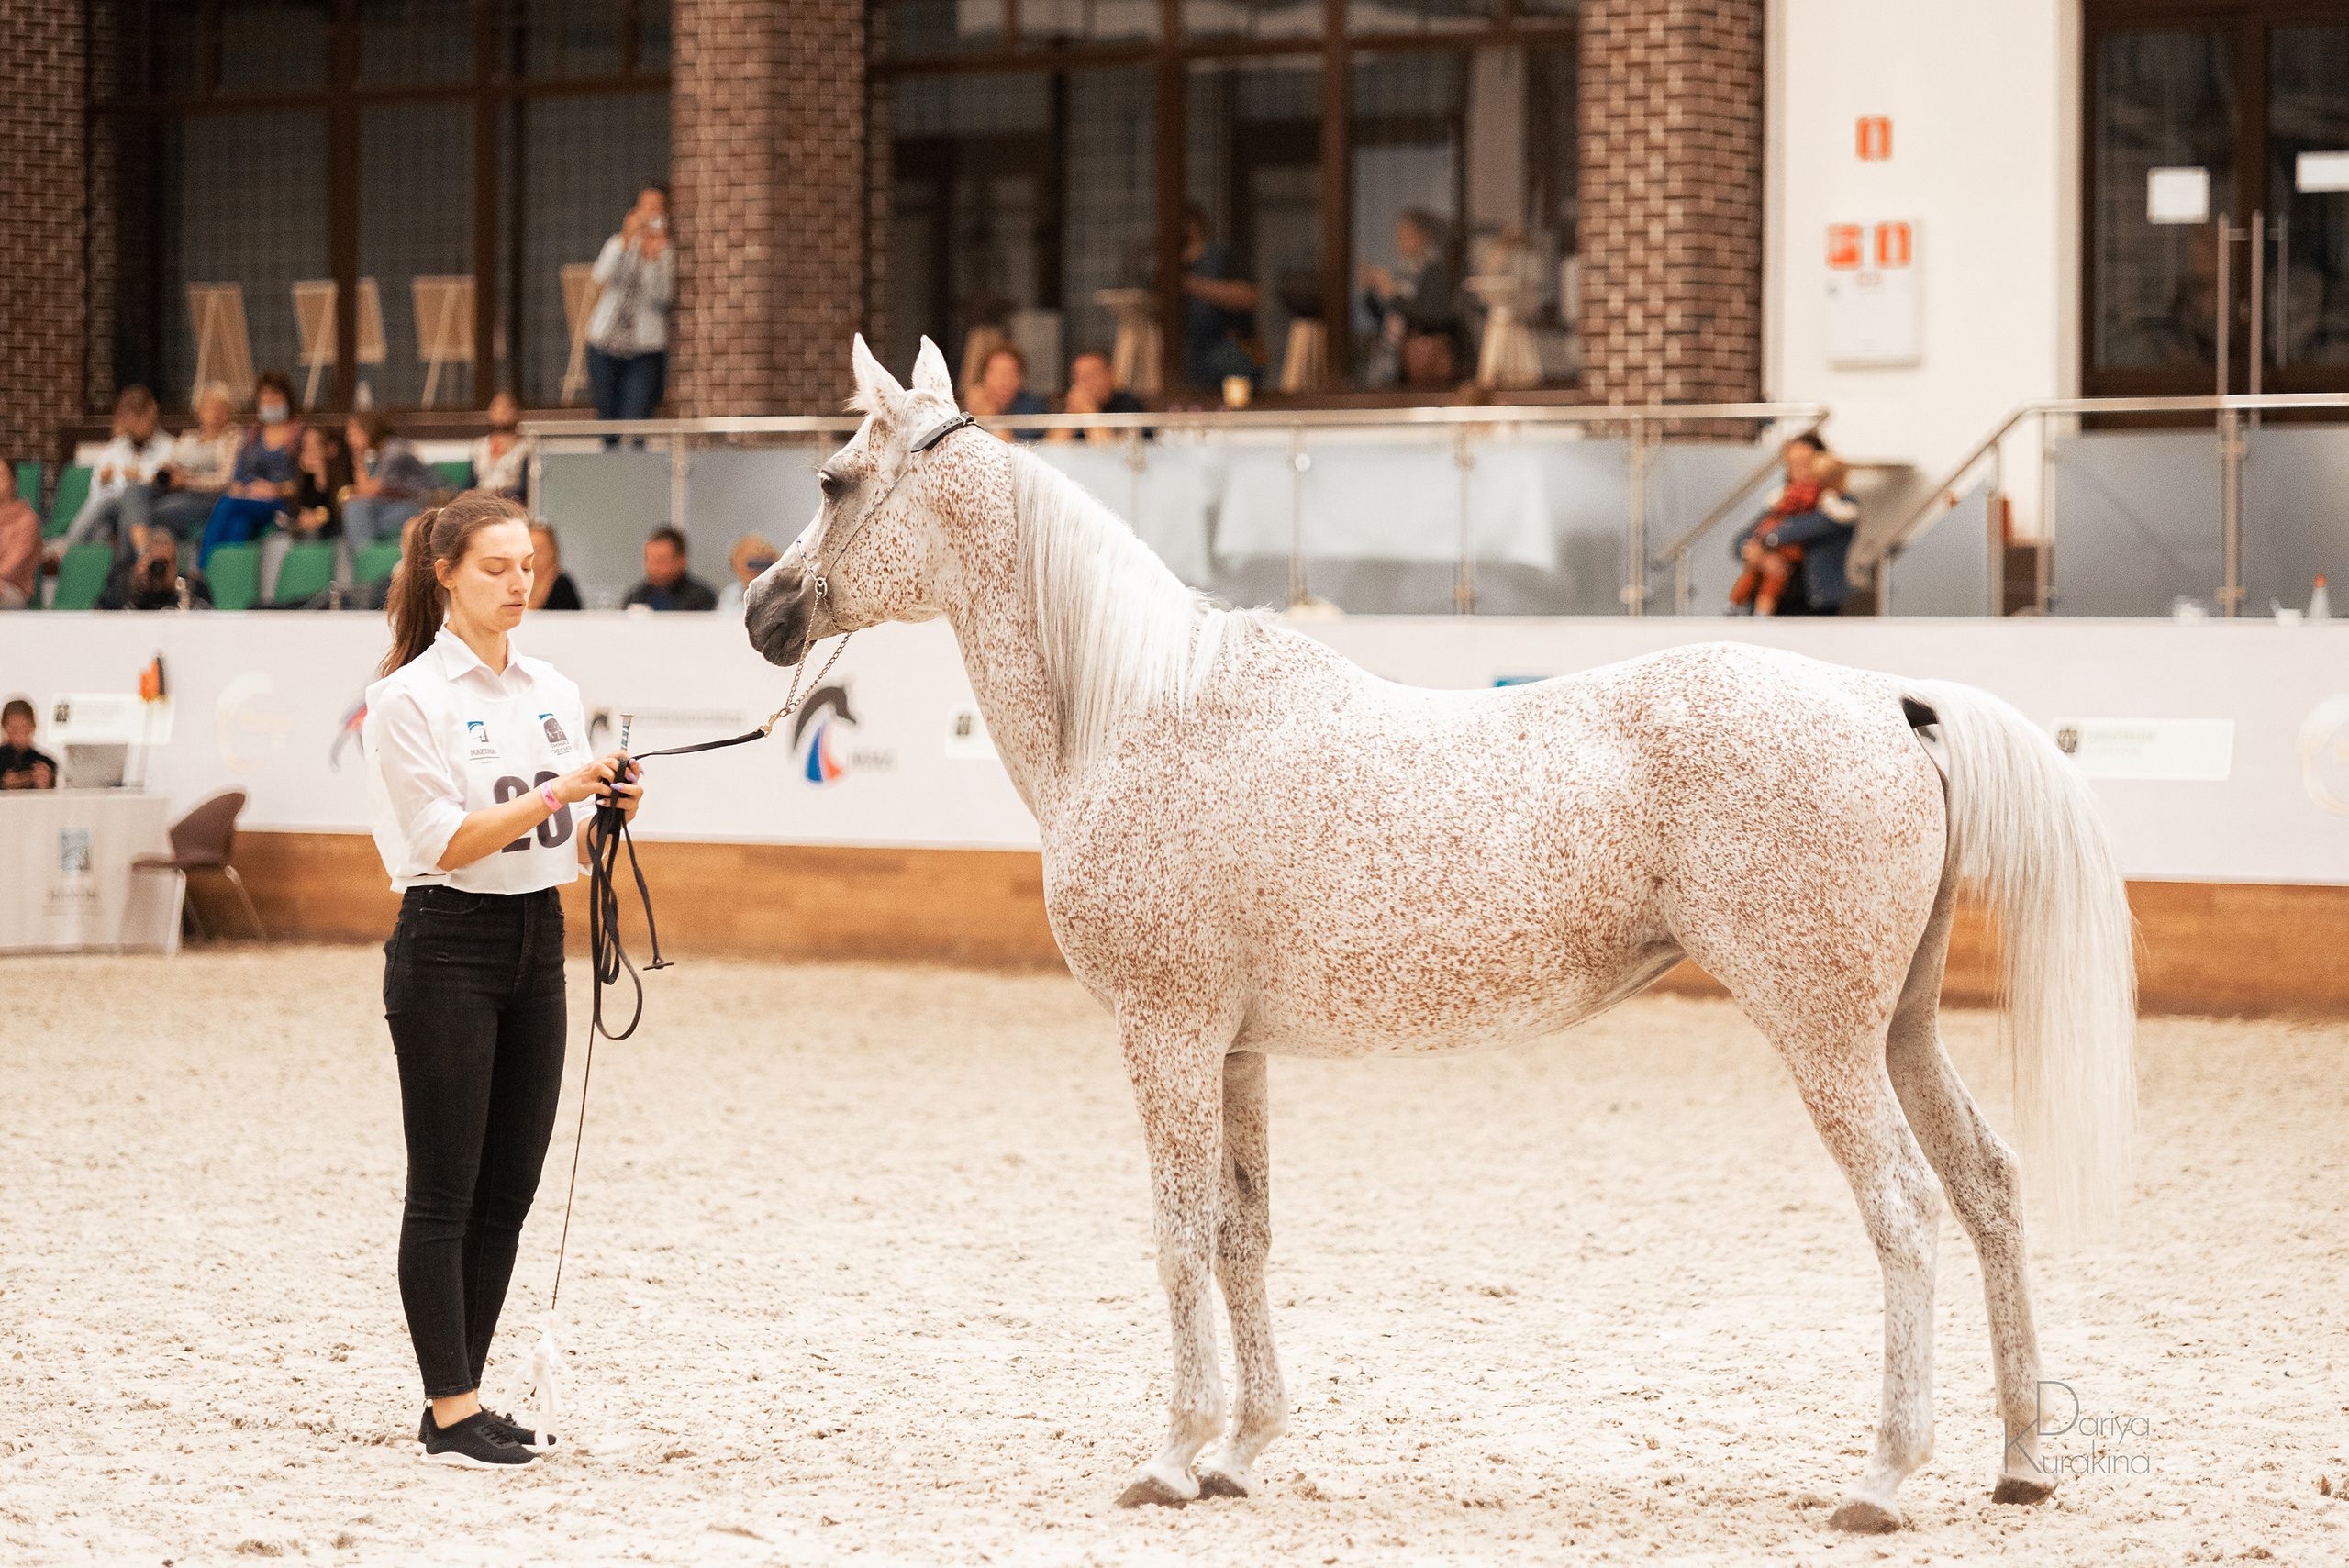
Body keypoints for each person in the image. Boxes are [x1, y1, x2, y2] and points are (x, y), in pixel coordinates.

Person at [362, 490, 646, 1470]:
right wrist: (560, 789)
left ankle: (464, 1394)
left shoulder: (552, 686)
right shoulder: (407, 698)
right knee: (445, 1186)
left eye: (527, 564)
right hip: (447, 940)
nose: (519, 581)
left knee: (509, 1188)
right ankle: (450, 1407)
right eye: (496, 566)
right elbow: (444, 839)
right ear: (445, 573)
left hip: (539, 938)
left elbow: (568, 832)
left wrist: (609, 807)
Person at [586, 184, 675, 433]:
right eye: (644, 207)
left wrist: (652, 260)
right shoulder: (619, 243)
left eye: (656, 208)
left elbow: (662, 297)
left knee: (637, 422)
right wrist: (626, 241)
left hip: (644, 351)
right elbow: (600, 276)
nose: (649, 214)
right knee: (607, 423)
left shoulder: (666, 251)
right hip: (603, 344)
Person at [54, 386, 173, 559]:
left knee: (118, 501)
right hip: (113, 509)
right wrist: (105, 481)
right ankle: (98, 573)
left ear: (150, 415)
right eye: (130, 420)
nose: (134, 426)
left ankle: (66, 548)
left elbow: (163, 484)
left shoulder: (169, 448)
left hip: (149, 507)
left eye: (139, 419)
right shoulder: (116, 448)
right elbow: (96, 492)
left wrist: (139, 477)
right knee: (101, 530)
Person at [200, 372, 304, 568]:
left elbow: (302, 483)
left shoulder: (298, 434)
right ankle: (229, 576)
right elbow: (239, 476)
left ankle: (202, 568)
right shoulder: (252, 436)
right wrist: (242, 487)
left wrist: (275, 489)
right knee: (239, 524)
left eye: (275, 397)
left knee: (227, 503)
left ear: (286, 399)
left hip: (280, 503)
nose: (270, 402)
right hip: (248, 499)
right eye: (265, 398)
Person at [1748, 454, 1860, 617]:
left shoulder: (1839, 508)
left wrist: (1765, 538)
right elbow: (1744, 541)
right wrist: (1760, 557)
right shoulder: (1790, 501)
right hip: (1783, 598)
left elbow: (1793, 531)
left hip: (1816, 601)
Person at [1361, 209, 1461, 390]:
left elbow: (1430, 315)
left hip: (1420, 355)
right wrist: (1371, 292)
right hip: (1395, 353)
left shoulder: (1435, 272)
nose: (1400, 241)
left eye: (1406, 234)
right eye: (1398, 235)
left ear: (1424, 236)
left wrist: (1391, 295)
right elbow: (1386, 318)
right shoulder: (1403, 272)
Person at [141, 383, 243, 550]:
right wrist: (163, 472)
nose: (215, 412)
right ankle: (142, 556)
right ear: (199, 410)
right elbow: (169, 463)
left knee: (154, 512)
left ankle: (153, 557)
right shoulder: (188, 438)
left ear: (229, 413)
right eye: (210, 406)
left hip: (207, 499)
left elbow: (225, 479)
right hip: (175, 492)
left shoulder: (232, 437)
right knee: (134, 492)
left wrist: (187, 481)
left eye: (221, 408)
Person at [1180, 203, 1263, 391]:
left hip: (1225, 350)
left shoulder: (1222, 257)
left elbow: (1249, 296)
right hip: (1185, 357)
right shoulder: (1168, 264)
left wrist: (1194, 285)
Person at [345, 412, 440, 550]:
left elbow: (368, 490)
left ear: (367, 430)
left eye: (353, 433)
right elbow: (364, 490)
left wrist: (358, 455)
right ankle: (366, 557)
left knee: (356, 511)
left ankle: (366, 557)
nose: (349, 440)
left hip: (420, 506)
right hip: (396, 505)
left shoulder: (395, 450)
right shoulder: (379, 453)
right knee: (354, 518)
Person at [99, 528, 213, 611]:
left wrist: (183, 596)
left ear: (175, 565)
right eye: (155, 563)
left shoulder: (193, 589)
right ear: (143, 560)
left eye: (166, 563)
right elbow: (100, 618)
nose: (159, 570)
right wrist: (134, 590)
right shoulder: (123, 585)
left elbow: (208, 622)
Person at [1047, 350, 1147, 445]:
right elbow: (1052, 449)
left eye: (1091, 376)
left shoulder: (1128, 404)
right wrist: (1070, 414)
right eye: (1079, 377)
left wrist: (1089, 412)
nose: (1085, 383)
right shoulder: (1065, 404)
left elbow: (1109, 451)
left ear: (1110, 375)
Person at [963, 345, 1048, 441]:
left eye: (1009, 374)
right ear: (983, 377)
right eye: (996, 374)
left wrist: (992, 418)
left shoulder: (1032, 406)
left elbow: (1010, 446)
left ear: (1020, 379)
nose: (1003, 382)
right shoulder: (971, 406)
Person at [621, 527, 716, 611]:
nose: (653, 567)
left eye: (660, 560)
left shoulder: (701, 598)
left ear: (681, 561)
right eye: (649, 560)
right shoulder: (636, 597)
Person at [469, 391, 534, 499]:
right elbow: (470, 484)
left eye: (506, 407)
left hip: (513, 502)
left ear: (517, 412)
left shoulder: (526, 448)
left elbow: (529, 488)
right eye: (496, 406)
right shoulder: (480, 446)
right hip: (482, 502)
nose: (501, 410)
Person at [0, 466, 39, 609]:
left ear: (13, 481)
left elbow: (13, 565)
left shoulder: (27, 519)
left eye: (1, 475)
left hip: (13, 590)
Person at [2, 697, 58, 789]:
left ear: (33, 727)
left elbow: (57, 794)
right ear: (4, 728)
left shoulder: (46, 763)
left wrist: (45, 786)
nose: (19, 736)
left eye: (25, 729)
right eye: (14, 730)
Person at [716, 533, 777, 615]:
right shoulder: (731, 594)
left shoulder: (782, 595)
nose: (758, 571)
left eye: (765, 564)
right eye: (752, 564)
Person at [526, 522, 581, 611]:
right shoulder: (513, 582)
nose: (534, 557)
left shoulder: (562, 585)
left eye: (539, 551)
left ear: (552, 552)